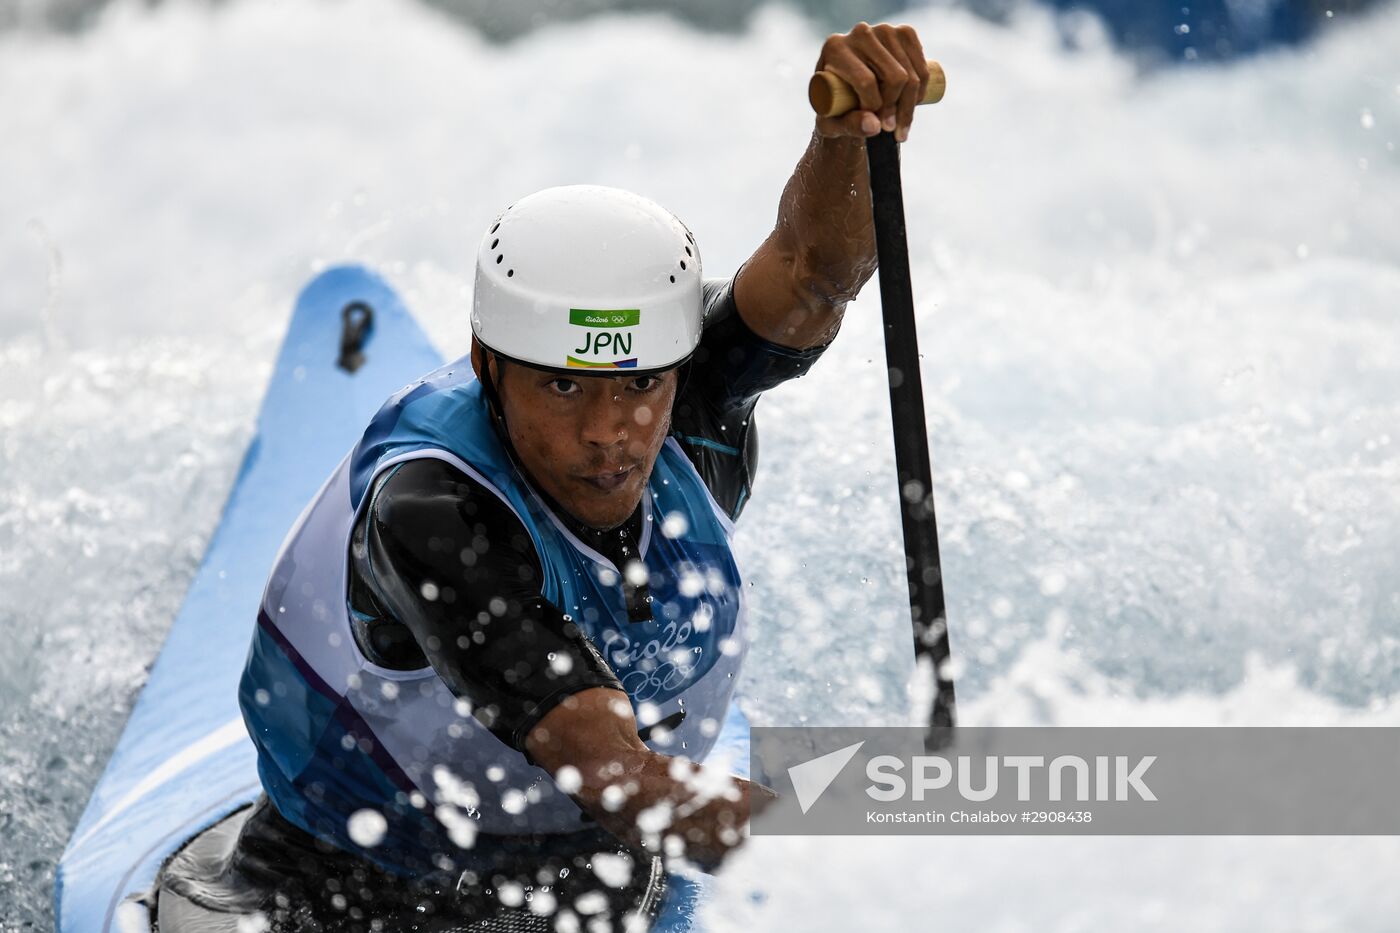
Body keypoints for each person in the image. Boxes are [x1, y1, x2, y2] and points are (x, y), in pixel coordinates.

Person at [224, 21, 933, 933]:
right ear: (488, 363)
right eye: (563, 385)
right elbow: (617, 777)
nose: (610, 433)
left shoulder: (693, 395)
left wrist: (847, 138)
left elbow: (815, 271)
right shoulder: (432, 510)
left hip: (598, 873)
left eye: (640, 384)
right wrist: (904, 866)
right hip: (353, 891)